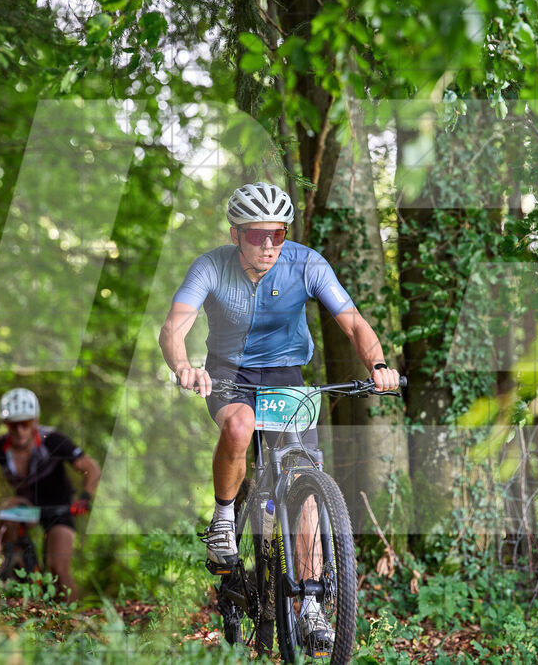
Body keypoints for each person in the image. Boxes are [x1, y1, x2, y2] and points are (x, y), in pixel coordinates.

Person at [158, 182, 400, 650]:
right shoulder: (211, 266)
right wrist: (183, 365)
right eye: (256, 235)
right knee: (239, 425)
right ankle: (224, 519)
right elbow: (174, 326)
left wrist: (379, 366)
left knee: (305, 481)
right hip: (228, 373)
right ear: (235, 235)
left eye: (278, 234)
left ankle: (310, 607)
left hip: (286, 373)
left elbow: (353, 322)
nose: (268, 245)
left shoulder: (307, 263)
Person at [0, 387, 101, 600]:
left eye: (26, 423)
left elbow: (90, 467)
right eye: (13, 425)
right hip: (27, 504)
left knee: (58, 567)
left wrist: (85, 497)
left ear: (35, 421)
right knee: (8, 508)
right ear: (6, 424)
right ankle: (9, 563)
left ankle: (73, 614)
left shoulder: (52, 439)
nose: (20, 430)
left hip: (59, 506)